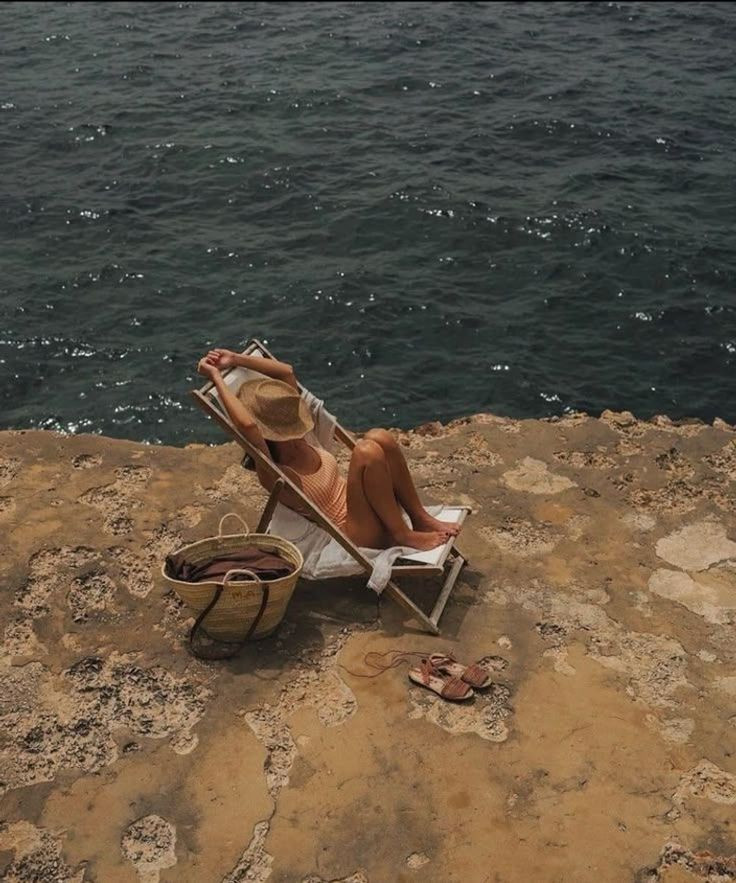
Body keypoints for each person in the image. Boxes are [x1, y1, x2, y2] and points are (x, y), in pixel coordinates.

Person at [197, 348, 460, 551]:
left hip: (373, 508)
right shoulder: (272, 469)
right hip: (356, 532)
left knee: (379, 436)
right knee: (366, 451)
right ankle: (402, 535)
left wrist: (236, 359)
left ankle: (419, 517)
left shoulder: (303, 433)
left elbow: (286, 372)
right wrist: (217, 378)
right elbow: (248, 426)